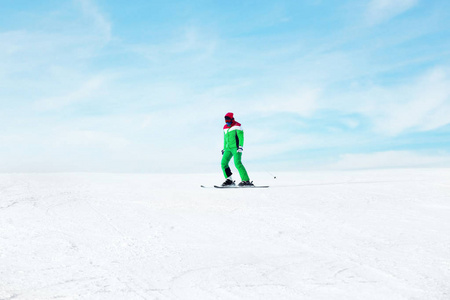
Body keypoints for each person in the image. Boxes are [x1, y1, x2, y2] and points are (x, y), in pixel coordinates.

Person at [221, 112, 253, 187]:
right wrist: (224, 148)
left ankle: (246, 180)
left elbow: (241, 137)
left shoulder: (238, 126)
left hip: (236, 148)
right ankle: (229, 180)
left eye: (228, 121)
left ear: (232, 119)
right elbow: (225, 139)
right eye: (226, 121)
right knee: (223, 163)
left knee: (237, 163)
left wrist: (240, 146)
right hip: (228, 148)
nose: (227, 122)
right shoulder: (225, 127)